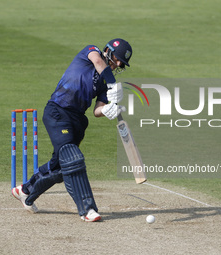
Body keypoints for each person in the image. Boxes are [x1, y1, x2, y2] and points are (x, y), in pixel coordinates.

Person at [12, 38, 133, 222]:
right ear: (108, 50)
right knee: (73, 158)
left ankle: (25, 190)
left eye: (120, 64)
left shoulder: (105, 84)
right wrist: (112, 83)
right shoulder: (91, 51)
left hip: (77, 120)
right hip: (58, 111)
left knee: (61, 167)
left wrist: (108, 110)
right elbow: (99, 62)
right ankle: (87, 209)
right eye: (117, 59)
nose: (117, 64)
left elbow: (97, 111)